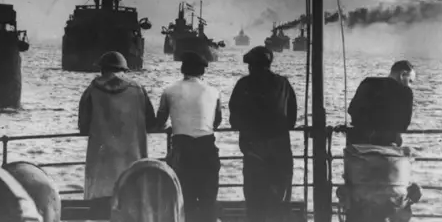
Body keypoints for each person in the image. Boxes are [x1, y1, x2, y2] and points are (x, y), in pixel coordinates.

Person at [78, 51, 156, 207]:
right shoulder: (138, 89)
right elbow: (152, 123)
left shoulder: (92, 89)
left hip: (102, 161)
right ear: (124, 70)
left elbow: (83, 126)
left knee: (100, 206)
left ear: (102, 69)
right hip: (131, 160)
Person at [229, 46, 297, 222]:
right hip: (280, 151)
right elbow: (291, 119)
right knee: (278, 200)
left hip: (254, 152)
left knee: (254, 202)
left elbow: (234, 120)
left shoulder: (243, 85)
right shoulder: (283, 84)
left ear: (250, 66)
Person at [155, 51, 222, 222]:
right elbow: (217, 121)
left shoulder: (169, 90)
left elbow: (160, 120)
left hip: (182, 148)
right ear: (203, 71)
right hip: (207, 147)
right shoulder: (214, 91)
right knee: (208, 198)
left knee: (185, 197)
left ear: (182, 69)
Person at [347, 60, 416, 146]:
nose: (410, 85)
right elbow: (403, 125)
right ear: (402, 75)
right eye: (410, 81)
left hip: (357, 145)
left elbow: (351, 110)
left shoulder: (367, 82)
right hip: (385, 146)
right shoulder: (405, 92)